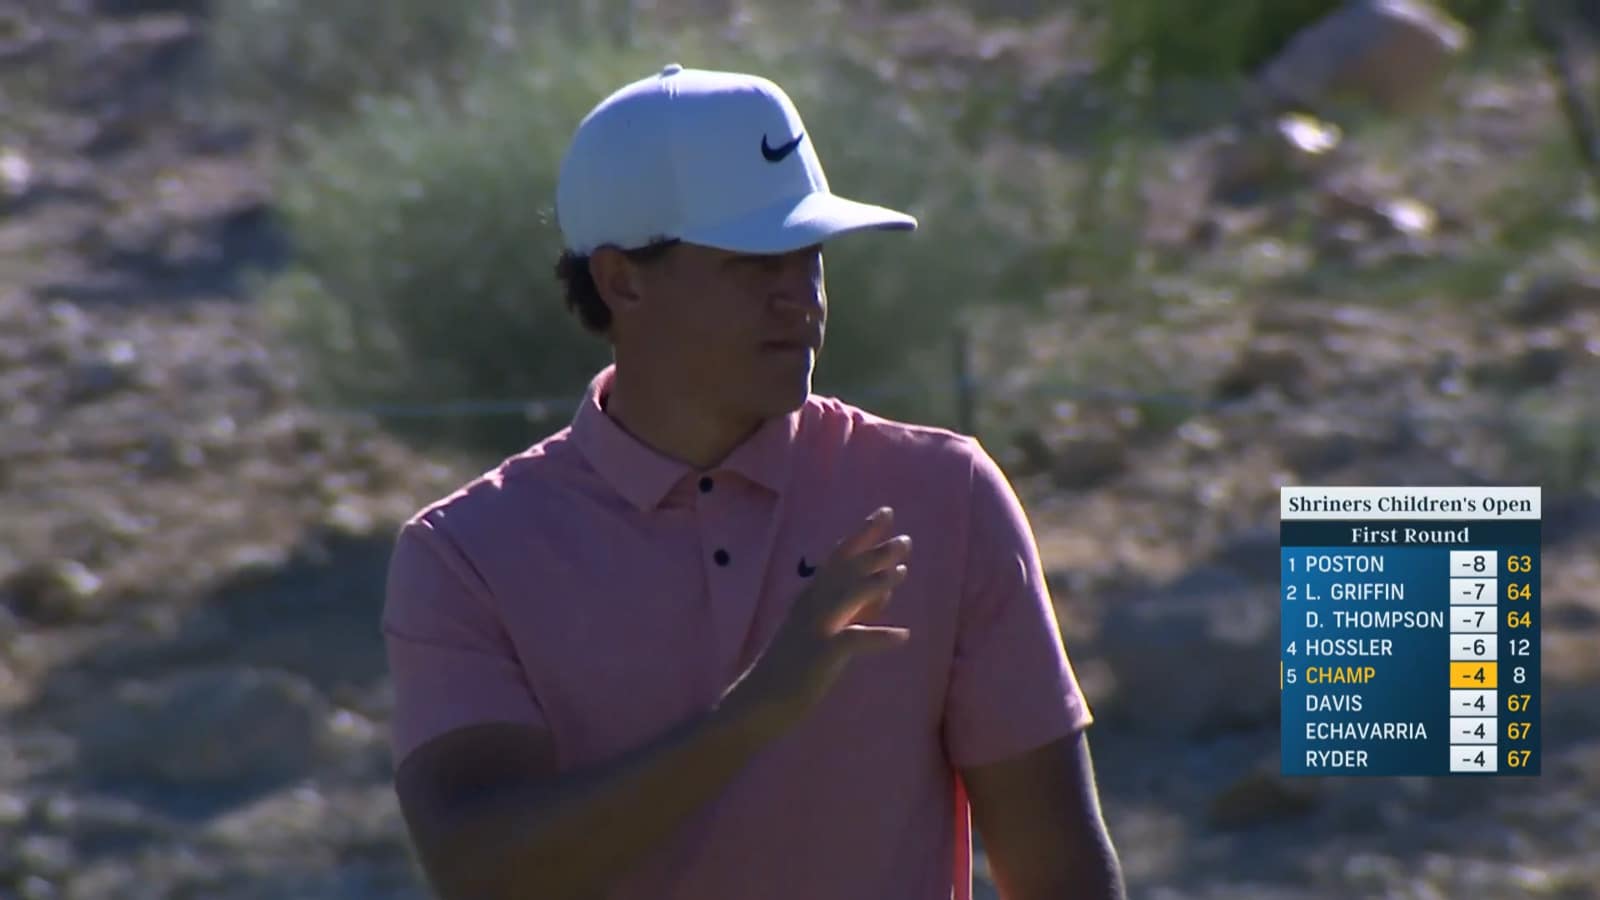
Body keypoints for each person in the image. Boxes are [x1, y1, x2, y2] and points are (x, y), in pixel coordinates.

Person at [381, 63, 1125, 900]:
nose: (800, 299)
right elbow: (482, 871)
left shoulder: (944, 495)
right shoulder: (466, 557)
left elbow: (1062, 875)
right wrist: (753, 717)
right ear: (622, 280)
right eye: (754, 261)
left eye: (808, 256)